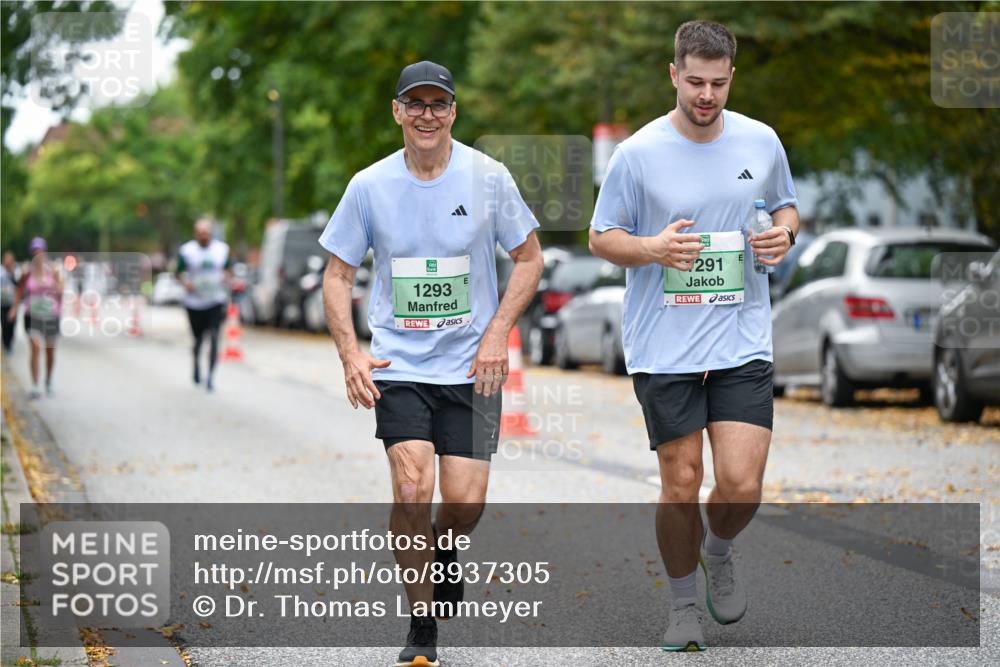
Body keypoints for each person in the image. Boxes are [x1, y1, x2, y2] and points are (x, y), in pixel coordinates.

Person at [319, 60, 543, 667]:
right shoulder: (368, 185)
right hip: (399, 366)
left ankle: (445, 551)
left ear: (453, 111)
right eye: (414, 104)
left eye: (437, 104)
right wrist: (350, 355)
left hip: (474, 369)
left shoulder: (488, 178)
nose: (426, 115)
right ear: (396, 111)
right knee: (413, 486)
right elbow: (337, 274)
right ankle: (421, 626)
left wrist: (497, 333)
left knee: (464, 504)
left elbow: (529, 258)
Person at [588, 20, 799, 652]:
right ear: (674, 74)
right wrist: (651, 247)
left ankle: (719, 549)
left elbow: (787, 207)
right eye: (696, 82)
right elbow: (602, 237)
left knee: (741, 484)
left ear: (732, 77)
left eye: (719, 83)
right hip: (665, 345)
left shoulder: (761, 143)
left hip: (740, 337)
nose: (707, 95)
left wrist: (783, 236)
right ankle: (682, 609)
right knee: (680, 482)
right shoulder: (638, 153)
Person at [175, 219, 232, 392]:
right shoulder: (187, 251)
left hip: (216, 300)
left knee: (215, 337)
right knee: (198, 339)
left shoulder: (222, 250)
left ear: (211, 233)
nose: (203, 236)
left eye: (206, 232)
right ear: (195, 234)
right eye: (200, 233)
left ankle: (211, 377)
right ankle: (196, 365)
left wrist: (226, 277)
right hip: (194, 303)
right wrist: (186, 284)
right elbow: (177, 273)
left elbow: (229, 269)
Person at [8, 238, 64, 398]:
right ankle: (34, 384)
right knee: (35, 347)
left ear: (45, 251)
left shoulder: (53, 269)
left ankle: (48, 380)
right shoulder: (27, 271)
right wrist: (14, 308)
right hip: (32, 315)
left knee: (50, 351)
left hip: (51, 315)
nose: (37, 253)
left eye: (40, 250)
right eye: (34, 251)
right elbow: (19, 290)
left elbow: (61, 289)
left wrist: (56, 288)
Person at [1, 251, 19, 353]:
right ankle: (5, 344)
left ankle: (9, 343)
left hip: (12, 304)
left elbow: (18, 287)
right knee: (4, 324)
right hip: (2, 303)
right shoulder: (1, 271)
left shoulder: (16, 272)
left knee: (11, 324)